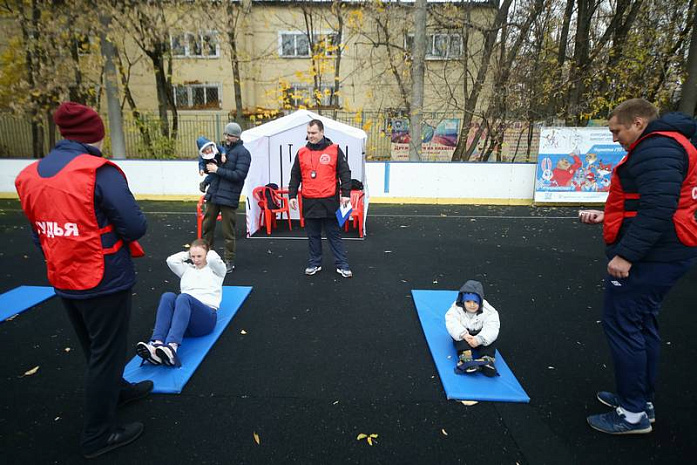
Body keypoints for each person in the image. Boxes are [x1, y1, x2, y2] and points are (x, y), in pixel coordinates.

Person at [14, 102, 150, 458]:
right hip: (103, 276)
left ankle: (116, 390)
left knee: (94, 347)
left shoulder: (30, 173)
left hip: (63, 274)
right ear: (96, 135)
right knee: (106, 352)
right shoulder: (98, 172)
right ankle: (98, 435)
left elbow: (38, 233)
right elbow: (135, 225)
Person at [580, 98, 697, 435]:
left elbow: (659, 209)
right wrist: (610, 217)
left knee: (624, 325)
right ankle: (639, 399)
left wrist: (626, 255)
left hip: (656, 256)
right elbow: (653, 202)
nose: (615, 138)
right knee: (642, 325)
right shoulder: (666, 145)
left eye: (617, 130)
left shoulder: (655, 149)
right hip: (669, 251)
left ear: (639, 122)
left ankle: (632, 414)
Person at [136, 238, 225, 367]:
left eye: (199, 256)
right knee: (168, 296)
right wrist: (187, 254)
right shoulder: (186, 270)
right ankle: (157, 344)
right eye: (193, 256)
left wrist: (207, 251)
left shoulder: (217, 271)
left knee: (183, 298)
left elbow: (213, 259)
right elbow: (171, 261)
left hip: (205, 321)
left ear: (207, 253)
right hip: (184, 323)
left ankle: (172, 348)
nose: (195, 259)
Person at [288, 119, 353, 278]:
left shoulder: (335, 150)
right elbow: (295, 175)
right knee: (313, 235)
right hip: (309, 201)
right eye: (309, 133)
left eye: (314, 133)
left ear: (322, 132)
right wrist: (292, 195)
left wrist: (346, 194)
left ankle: (342, 264)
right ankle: (314, 263)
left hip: (330, 201)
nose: (311, 136)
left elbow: (345, 173)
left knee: (334, 234)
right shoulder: (301, 152)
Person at [201, 122, 251, 274]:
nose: (227, 137)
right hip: (214, 194)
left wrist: (217, 170)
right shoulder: (221, 150)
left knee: (228, 232)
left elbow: (239, 176)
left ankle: (229, 260)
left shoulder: (243, 153)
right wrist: (205, 180)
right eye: (226, 134)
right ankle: (206, 257)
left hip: (229, 197)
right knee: (207, 227)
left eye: (230, 135)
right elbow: (215, 171)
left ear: (237, 136)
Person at [445, 280, 500, 377]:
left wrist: (480, 339)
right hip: (465, 334)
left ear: (480, 301)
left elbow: (492, 327)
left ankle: (486, 359)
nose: (472, 305)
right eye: (468, 301)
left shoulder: (490, 311)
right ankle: (465, 357)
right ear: (463, 301)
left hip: (480, 334)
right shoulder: (456, 309)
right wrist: (464, 335)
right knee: (458, 338)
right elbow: (451, 322)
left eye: (475, 301)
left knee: (491, 340)